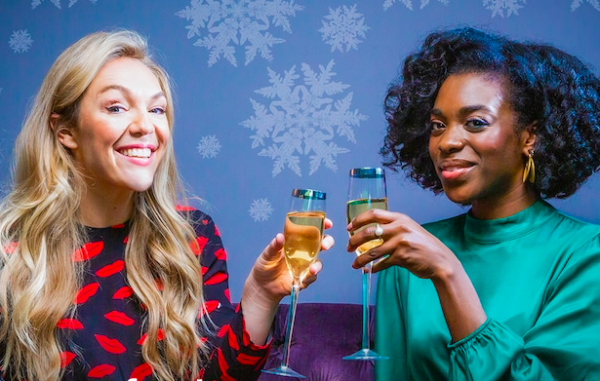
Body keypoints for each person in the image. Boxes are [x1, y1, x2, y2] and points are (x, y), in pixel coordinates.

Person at [0, 30, 334, 381]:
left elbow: (221, 377)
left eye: (157, 109)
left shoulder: (193, 238)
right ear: (66, 130)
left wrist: (261, 296)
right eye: (116, 107)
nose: (146, 126)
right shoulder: (12, 252)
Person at [347, 27, 600, 380]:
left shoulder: (586, 255)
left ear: (531, 137)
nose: (447, 141)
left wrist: (447, 274)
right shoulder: (405, 255)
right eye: (437, 125)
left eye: (475, 122)